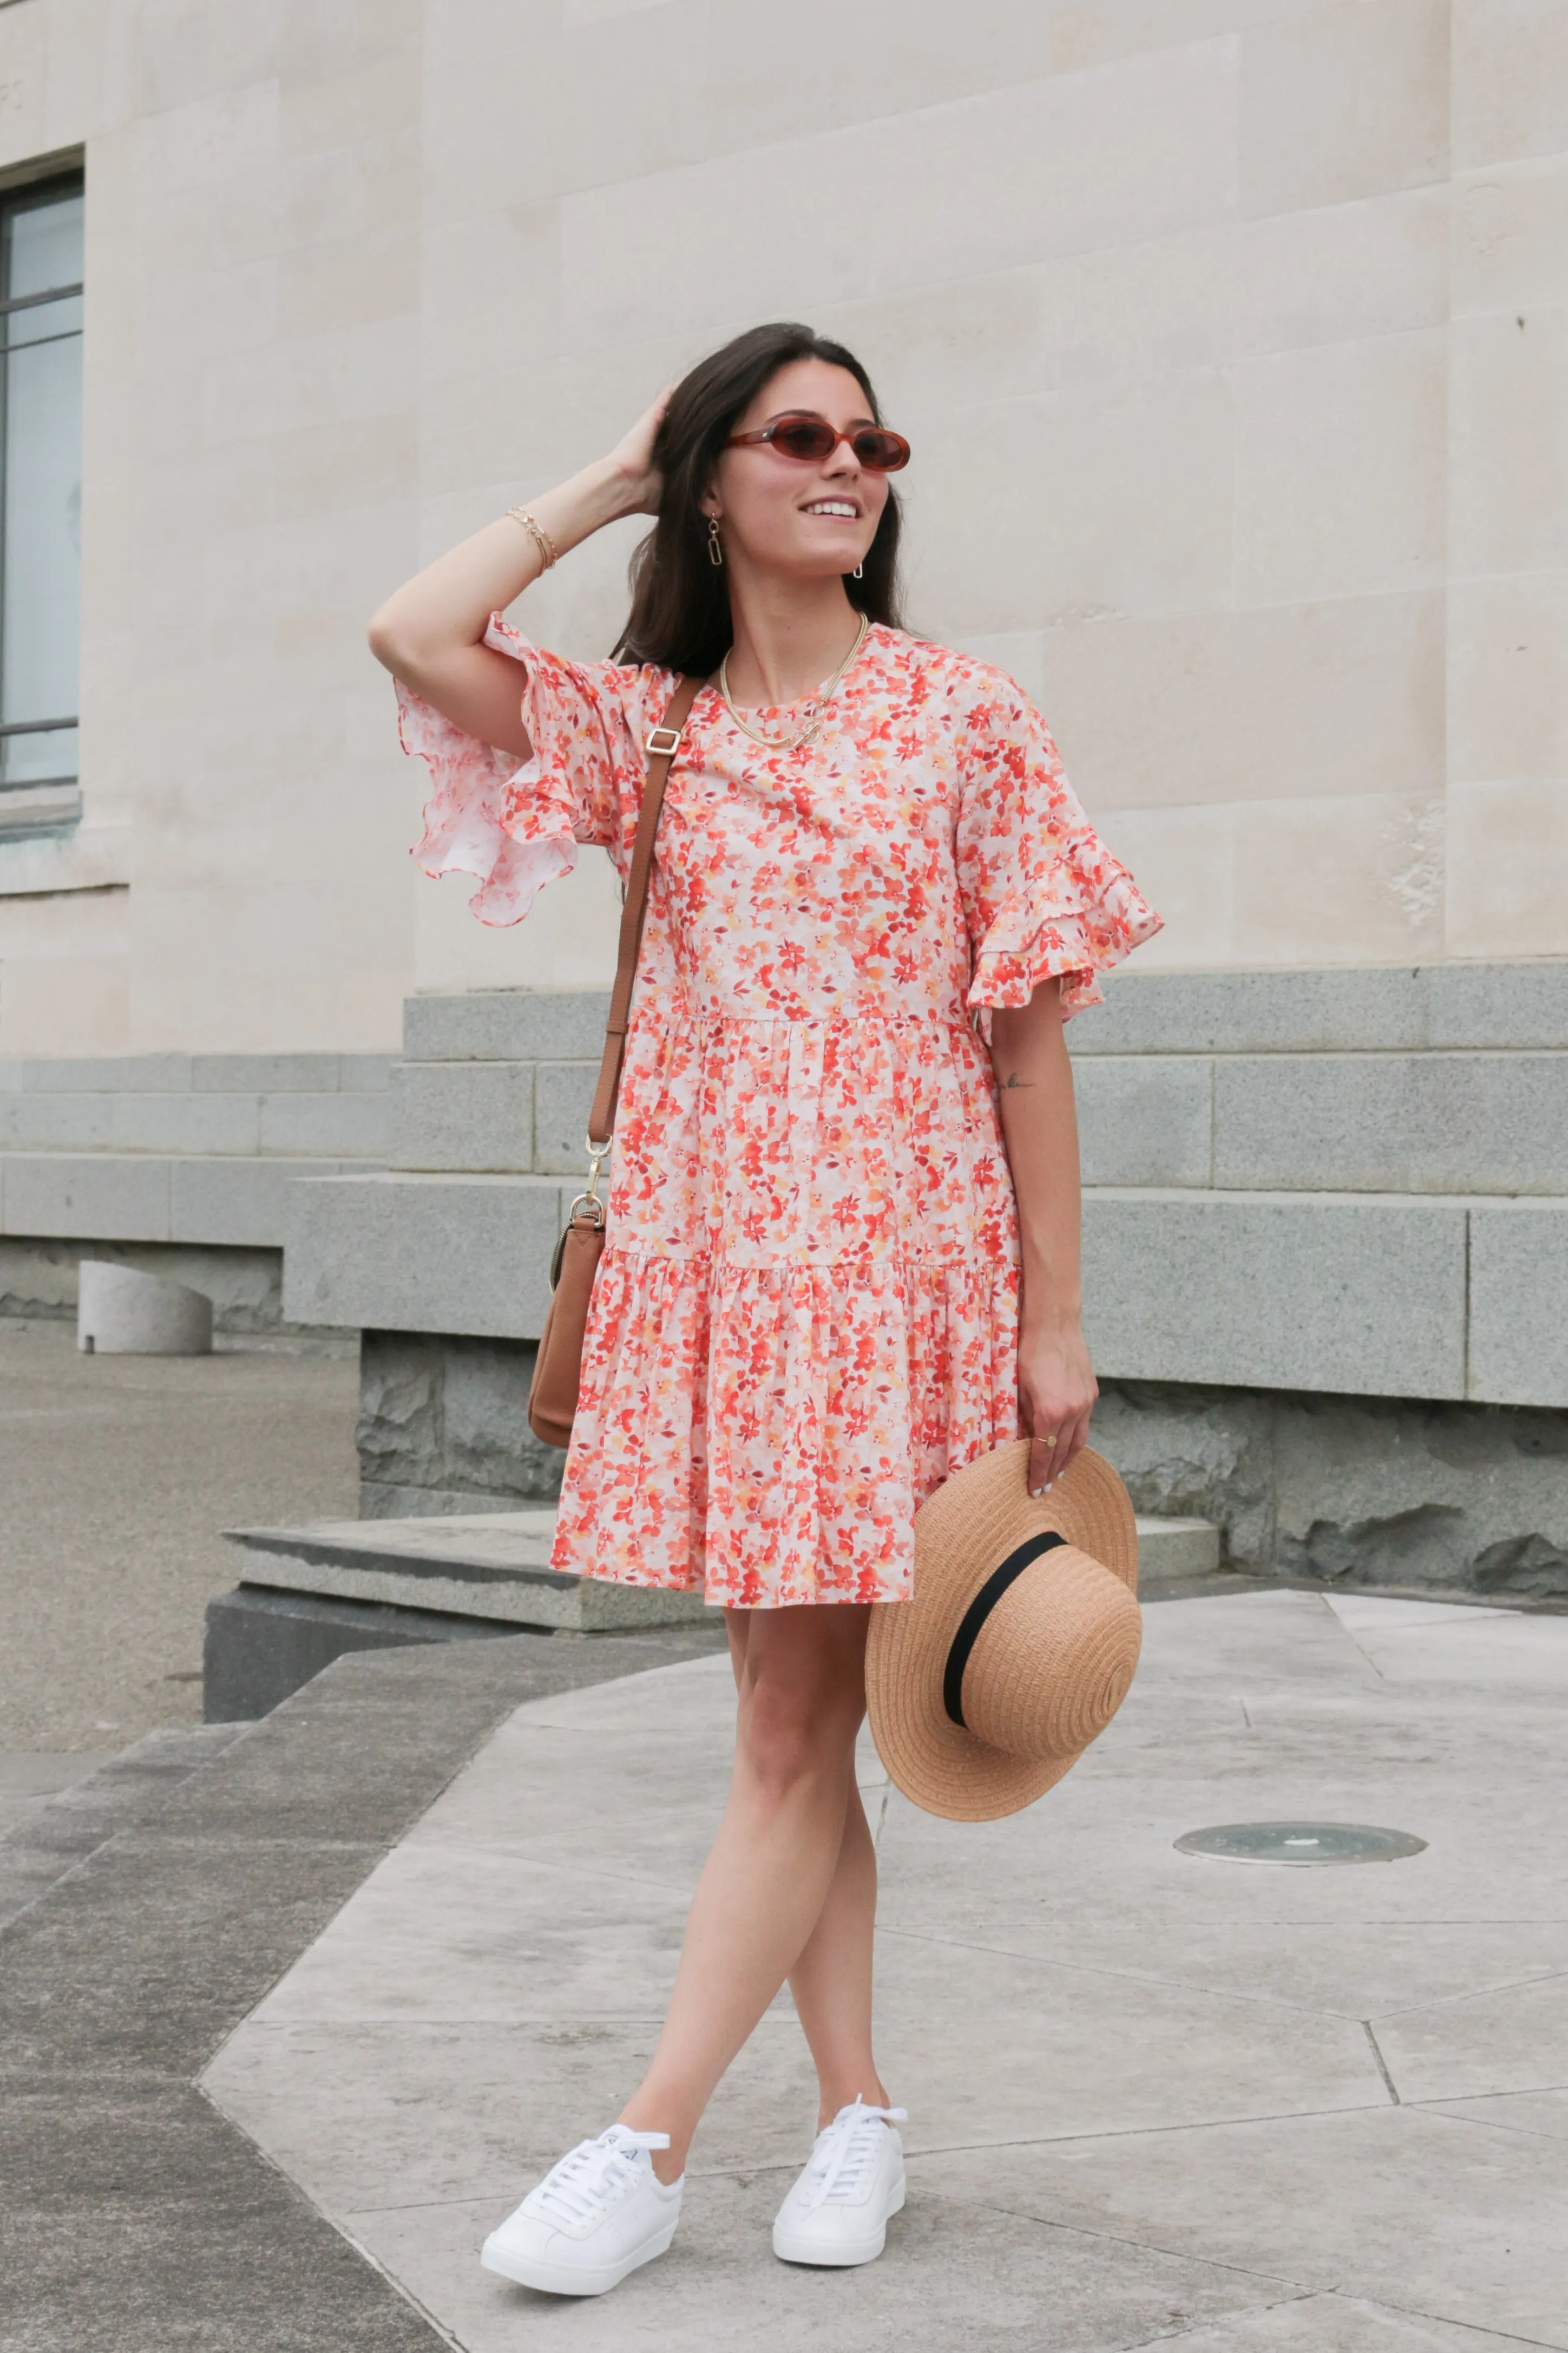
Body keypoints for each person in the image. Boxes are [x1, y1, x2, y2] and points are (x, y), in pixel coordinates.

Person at [368, 321, 1160, 2297]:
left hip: (910, 1278)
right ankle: (859, 2112)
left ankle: (646, 2139)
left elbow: (1032, 1052)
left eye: (872, 439)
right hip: (723, 1279)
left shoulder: (964, 719)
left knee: (796, 1729)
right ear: (716, 474)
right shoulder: (651, 734)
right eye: (798, 436)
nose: (850, 466)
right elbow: (411, 628)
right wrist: (610, 476)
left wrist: (1058, 1321)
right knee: (784, 1719)